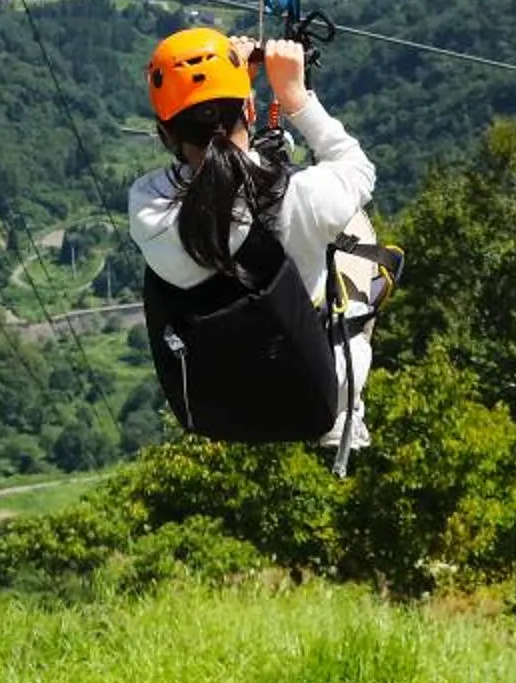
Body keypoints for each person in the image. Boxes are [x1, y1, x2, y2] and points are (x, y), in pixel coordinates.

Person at [128, 25, 388, 455]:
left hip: (217, 399)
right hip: (313, 389)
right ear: (249, 109)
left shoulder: (147, 206)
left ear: (164, 133)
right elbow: (358, 171)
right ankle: (347, 412)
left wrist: (232, 86)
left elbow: (219, 185)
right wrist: (295, 97)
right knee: (355, 230)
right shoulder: (304, 196)